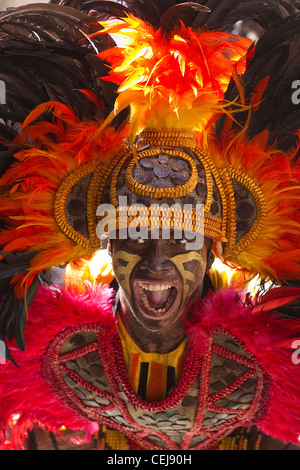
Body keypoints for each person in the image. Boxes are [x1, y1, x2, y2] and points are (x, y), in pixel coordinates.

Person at [0, 0, 300, 451]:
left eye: (181, 238)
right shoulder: (51, 355)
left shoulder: (269, 361)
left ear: (212, 248)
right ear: (104, 239)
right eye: (136, 236)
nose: (155, 262)